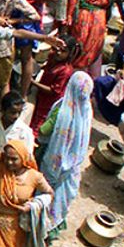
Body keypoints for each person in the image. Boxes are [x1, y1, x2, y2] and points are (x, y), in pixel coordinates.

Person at [37, 71, 92, 232]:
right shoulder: (87, 110)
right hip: (73, 164)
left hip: (53, 160)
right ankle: (56, 223)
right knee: (61, 197)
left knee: (45, 191)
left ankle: (39, 226)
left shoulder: (62, 110)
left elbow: (44, 131)